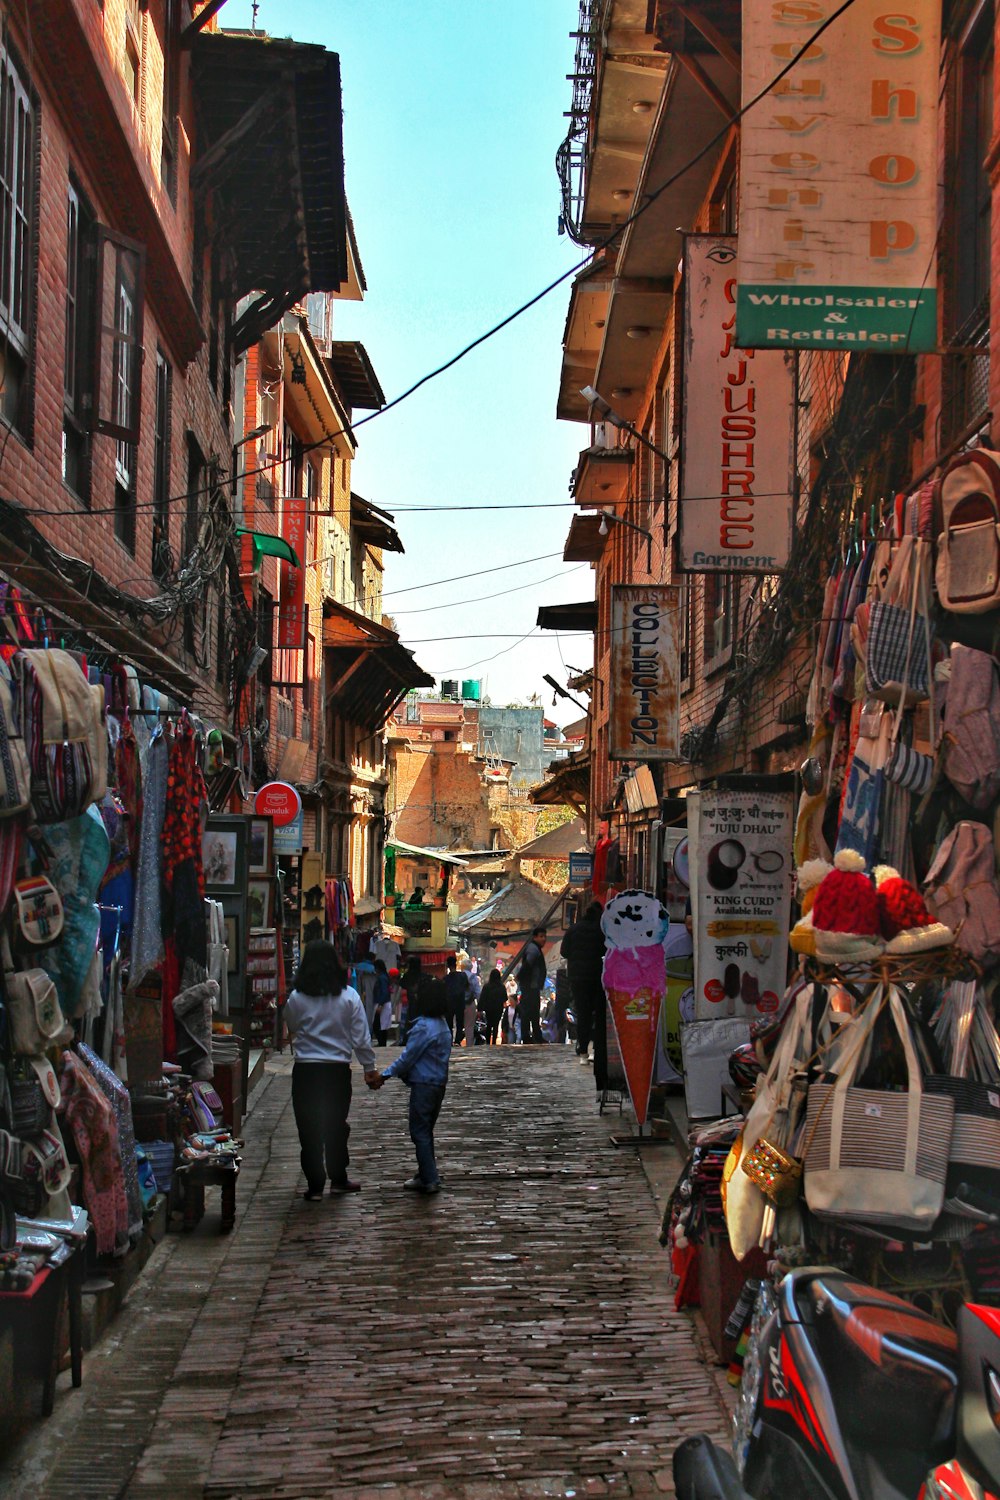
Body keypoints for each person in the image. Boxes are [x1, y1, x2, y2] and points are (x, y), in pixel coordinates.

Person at [283, 940, 380, 1198]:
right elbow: (361, 1037)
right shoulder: (349, 997)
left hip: (306, 1073)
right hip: (337, 1072)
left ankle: (315, 1185)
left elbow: (291, 1024)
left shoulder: (296, 998)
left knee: (308, 1127)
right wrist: (369, 1067)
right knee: (336, 1125)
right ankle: (338, 1177)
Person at [368, 978, 451, 1193]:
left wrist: (384, 1075)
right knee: (426, 1130)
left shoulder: (424, 1026)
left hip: (423, 1085)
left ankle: (430, 1178)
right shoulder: (443, 1026)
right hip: (438, 1085)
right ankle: (425, 1172)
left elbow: (408, 1058)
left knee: (420, 1132)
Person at [560, 901, 607, 1070]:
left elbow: (564, 951)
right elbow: (605, 951)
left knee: (583, 1014)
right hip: (596, 976)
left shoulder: (573, 929)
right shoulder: (601, 931)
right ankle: (595, 1050)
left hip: (577, 978)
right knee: (598, 1014)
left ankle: (583, 1054)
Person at [516, 925, 548, 1044]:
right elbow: (528, 965)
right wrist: (520, 976)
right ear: (535, 937)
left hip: (532, 986)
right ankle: (527, 1036)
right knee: (528, 1011)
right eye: (541, 936)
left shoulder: (534, 948)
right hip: (530, 986)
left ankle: (536, 1036)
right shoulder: (533, 949)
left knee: (533, 1012)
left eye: (544, 936)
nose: (543, 939)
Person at [444, 954, 470, 1047]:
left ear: (447, 965)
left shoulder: (446, 979)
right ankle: (458, 1041)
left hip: (449, 1004)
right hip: (460, 1002)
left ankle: (450, 1040)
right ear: (455, 964)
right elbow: (467, 987)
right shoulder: (462, 976)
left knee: (449, 1023)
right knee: (459, 1023)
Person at [480, 969, 506, 1044]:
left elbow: (482, 998)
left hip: (489, 1009)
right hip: (498, 1009)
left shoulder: (487, 986)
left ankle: (488, 1041)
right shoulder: (501, 987)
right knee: (496, 1025)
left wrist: (480, 1008)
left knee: (489, 1025)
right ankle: (494, 1041)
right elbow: (504, 998)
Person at [401, 954, 422, 1039]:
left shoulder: (407, 976)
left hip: (411, 1003)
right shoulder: (422, 976)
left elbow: (402, 984)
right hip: (419, 1003)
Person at [371, 959, 391, 1046]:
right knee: (382, 1026)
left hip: (382, 1004)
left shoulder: (382, 978)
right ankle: (382, 1043)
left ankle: (382, 1043)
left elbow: (384, 992)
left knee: (378, 1025)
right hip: (384, 1003)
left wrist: (380, 1005)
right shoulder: (384, 977)